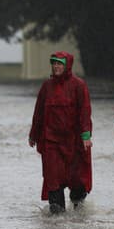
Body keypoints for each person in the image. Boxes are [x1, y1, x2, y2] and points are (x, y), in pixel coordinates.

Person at [29, 51, 93, 214]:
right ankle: (57, 220)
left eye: (59, 64)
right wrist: (33, 134)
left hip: (74, 141)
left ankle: (79, 210)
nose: (56, 67)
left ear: (67, 66)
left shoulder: (79, 85)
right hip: (51, 142)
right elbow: (39, 112)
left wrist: (86, 135)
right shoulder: (47, 86)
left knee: (77, 181)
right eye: (54, 63)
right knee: (53, 181)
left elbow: (85, 111)